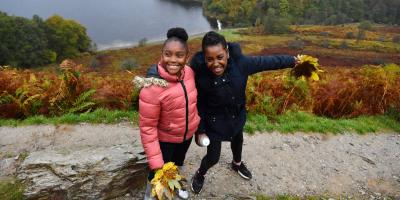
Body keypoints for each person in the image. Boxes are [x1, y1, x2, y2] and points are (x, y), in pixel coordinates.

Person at [189, 31, 298, 194]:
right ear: (204, 58)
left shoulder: (242, 64)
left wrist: (293, 61)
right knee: (213, 157)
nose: (215, 64)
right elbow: (200, 105)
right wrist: (200, 130)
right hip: (214, 123)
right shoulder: (201, 76)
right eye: (209, 59)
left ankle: (237, 164)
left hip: (236, 117)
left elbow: (268, 62)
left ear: (227, 52)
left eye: (220, 57)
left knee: (238, 142)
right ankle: (200, 173)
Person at [135, 27, 200, 200]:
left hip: (185, 137)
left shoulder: (190, 74)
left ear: (187, 56)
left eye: (179, 55)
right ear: (162, 54)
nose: (173, 60)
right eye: (168, 54)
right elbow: (147, 128)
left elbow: (193, 103)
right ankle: (150, 195)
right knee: (158, 170)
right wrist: (156, 161)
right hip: (165, 140)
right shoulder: (152, 87)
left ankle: (174, 186)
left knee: (175, 166)